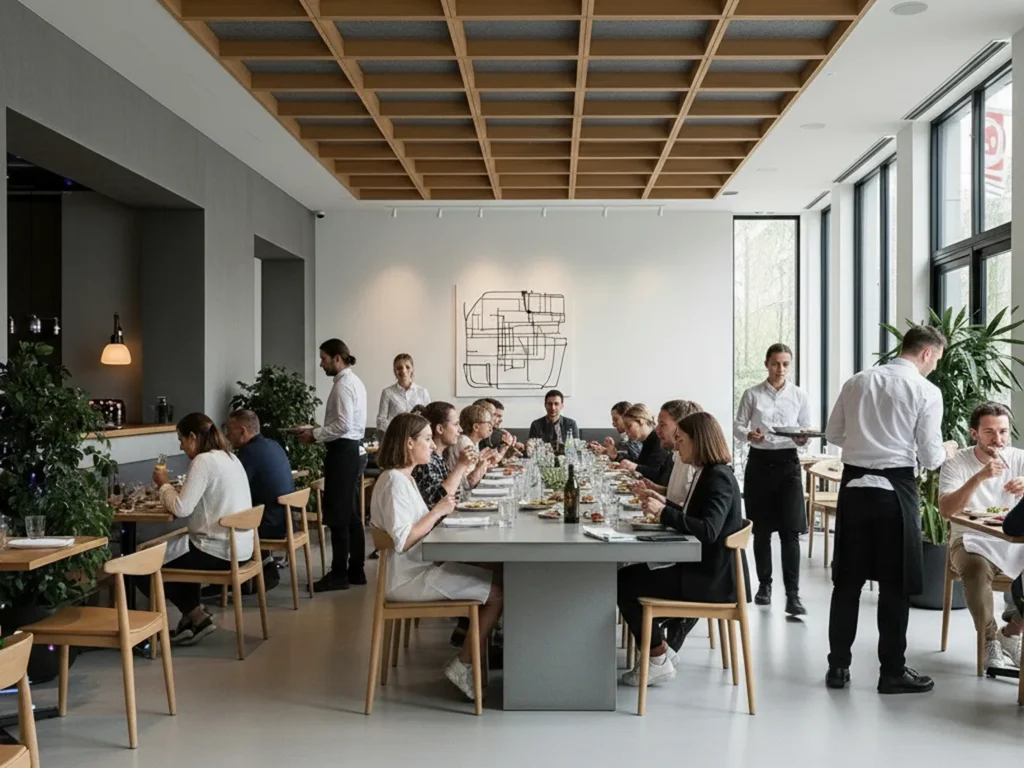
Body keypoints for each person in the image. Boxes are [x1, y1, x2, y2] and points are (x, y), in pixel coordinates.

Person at [824, 325, 955, 694]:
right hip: (895, 494)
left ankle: (838, 667)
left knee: (846, 583)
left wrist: (865, 441)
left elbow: (833, 435)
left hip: (853, 490)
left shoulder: (857, 381)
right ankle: (892, 672)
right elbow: (930, 458)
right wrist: (947, 449)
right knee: (895, 586)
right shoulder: (925, 391)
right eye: (936, 359)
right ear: (927, 353)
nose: (934, 366)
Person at [370, 413, 504, 701]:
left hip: (419, 567)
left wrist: (440, 511)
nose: (432, 446)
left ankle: (478, 656)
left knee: (497, 570)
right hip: (409, 578)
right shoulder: (393, 481)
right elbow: (404, 540)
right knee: (496, 594)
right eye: (428, 439)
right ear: (409, 443)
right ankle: (463, 663)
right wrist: (438, 511)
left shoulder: (403, 478)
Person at [617, 411, 749, 687]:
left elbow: (709, 530)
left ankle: (657, 658)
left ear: (698, 441)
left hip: (713, 579)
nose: (677, 447)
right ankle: (660, 652)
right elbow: (694, 516)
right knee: (627, 575)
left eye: (681, 440)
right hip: (703, 569)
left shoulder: (719, 477)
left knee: (621, 582)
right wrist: (661, 501)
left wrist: (664, 512)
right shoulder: (707, 473)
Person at [149, 412, 253, 646]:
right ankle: (192, 619)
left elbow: (181, 508)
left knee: (148, 564)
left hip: (219, 551)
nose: (180, 446)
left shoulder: (203, 461)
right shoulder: (229, 457)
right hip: (242, 547)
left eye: (181, 440)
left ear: (193, 437)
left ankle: (194, 617)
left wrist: (163, 484)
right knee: (177, 551)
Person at [938, 401, 1024, 669]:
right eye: (989, 432)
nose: (998, 440)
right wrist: (978, 477)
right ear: (973, 433)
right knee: (975, 569)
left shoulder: (1019, 459)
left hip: (1011, 540)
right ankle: (989, 641)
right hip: (969, 538)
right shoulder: (956, 462)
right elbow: (946, 510)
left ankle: (1011, 633)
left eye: (1003, 432)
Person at [734, 343, 811, 617]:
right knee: (762, 530)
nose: (780, 369)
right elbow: (738, 426)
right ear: (766, 363)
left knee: (791, 531)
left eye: (786, 364)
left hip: (788, 463)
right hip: (759, 463)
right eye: (776, 363)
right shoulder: (752, 394)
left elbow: (805, 431)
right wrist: (748, 435)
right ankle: (764, 586)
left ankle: (793, 595)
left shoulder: (799, 395)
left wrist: (802, 439)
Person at [297, 339, 368, 593]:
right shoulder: (355, 382)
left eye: (324, 358)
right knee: (350, 514)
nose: (321, 364)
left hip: (343, 451)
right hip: (352, 450)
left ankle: (339, 574)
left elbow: (342, 425)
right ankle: (356, 570)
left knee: (339, 514)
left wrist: (314, 434)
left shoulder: (343, 386)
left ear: (338, 358)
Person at [224, 409, 294, 590]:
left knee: (222, 526)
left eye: (229, 431)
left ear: (242, 431)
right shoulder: (273, 444)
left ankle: (231, 581)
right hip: (286, 519)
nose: (227, 436)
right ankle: (262, 569)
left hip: (269, 524)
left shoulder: (249, 453)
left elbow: (233, 487)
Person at [413, 401, 483, 507]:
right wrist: (461, 466)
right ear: (440, 429)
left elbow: (460, 495)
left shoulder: (441, 456)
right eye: (455, 424)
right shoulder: (427, 461)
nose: (460, 429)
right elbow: (438, 502)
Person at [376, 353, 431, 437]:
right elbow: (381, 420)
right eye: (399, 368)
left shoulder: (422, 392)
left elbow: (428, 418)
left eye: (407, 367)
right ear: (394, 371)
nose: (403, 371)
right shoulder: (387, 392)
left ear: (412, 369)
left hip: (417, 438)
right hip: (395, 437)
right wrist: (398, 430)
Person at [617, 403, 672, 485]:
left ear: (640, 421)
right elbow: (643, 463)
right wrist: (617, 457)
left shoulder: (658, 440)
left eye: (629, 427)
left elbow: (658, 474)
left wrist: (635, 467)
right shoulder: (647, 440)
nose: (627, 432)